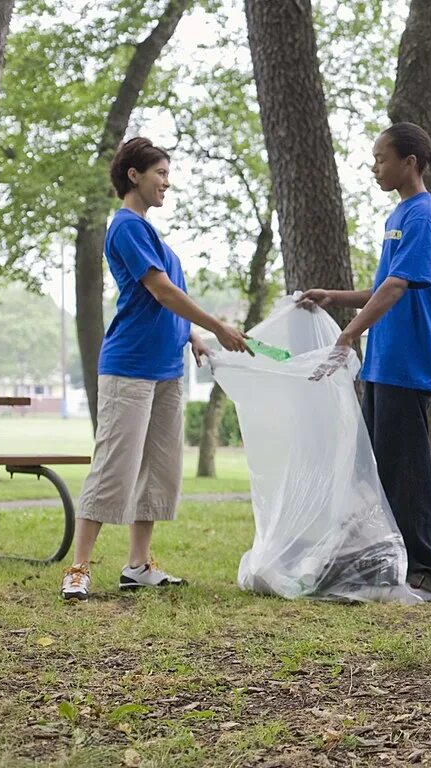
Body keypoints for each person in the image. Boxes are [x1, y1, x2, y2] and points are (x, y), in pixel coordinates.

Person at [60, 137, 252, 602]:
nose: (168, 182)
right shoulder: (125, 226)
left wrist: (194, 336)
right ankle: (79, 567)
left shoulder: (149, 232)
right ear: (134, 175)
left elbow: (167, 306)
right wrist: (218, 325)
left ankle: (138, 565)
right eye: (160, 173)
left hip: (168, 369)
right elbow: (160, 291)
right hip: (130, 366)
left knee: (159, 469)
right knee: (115, 466)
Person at [301, 121, 431, 601]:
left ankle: (426, 570)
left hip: (409, 360)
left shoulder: (424, 215)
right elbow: (382, 285)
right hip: (385, 361)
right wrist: (334, 297)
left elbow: (398, 286)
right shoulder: (400, 216)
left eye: (381, 159)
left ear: (409, 162)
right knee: (378, 468)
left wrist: (348, 334)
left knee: (407, 469)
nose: (374, 167)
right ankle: (385, 561)